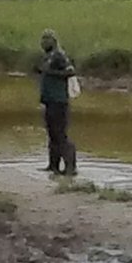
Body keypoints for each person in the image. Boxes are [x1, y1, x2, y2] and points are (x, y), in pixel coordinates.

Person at [38, 30, 78, 175]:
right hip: (49, 100)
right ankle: (53, 165)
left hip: (59, 101)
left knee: (60, 134)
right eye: (43, 39)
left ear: (53, 41)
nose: (43, 42)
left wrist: (51, 73)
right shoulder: (47, 56)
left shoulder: (59, 55)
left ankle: (70, 167)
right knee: (52, 134)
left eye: (46, 39)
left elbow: (70, 72)